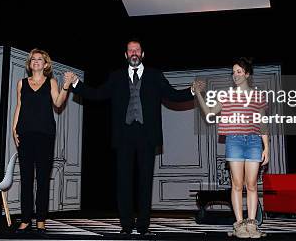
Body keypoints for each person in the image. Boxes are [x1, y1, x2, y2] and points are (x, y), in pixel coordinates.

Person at [66, 39, 195, 235]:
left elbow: (173, 95)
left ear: (142, 54)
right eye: (130, 50)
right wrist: (77, 84)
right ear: (126, 55)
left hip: (147, 136)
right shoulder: (116, 76)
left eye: (137, 50)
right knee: (123, 183)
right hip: (123, 136)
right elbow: (97, 94)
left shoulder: (154, 75)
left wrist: (192, 91)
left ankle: (143, 226)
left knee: (145, 182)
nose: (134, 53)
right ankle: (126, 225)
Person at [193, 57, 269, 239]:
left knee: (251, 185)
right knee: (236, 184)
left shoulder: (258, 96)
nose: (235, 75)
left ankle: (252, 225)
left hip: (253, 142)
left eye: (239, 72)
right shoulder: (226, 96)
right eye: (233, 72)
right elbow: (210, 113)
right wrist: (198, 94)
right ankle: (239, 225)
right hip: (234, 142)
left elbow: (263, 123)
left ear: (247, 74)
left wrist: (267, 147)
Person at [11, 49, 72, 234]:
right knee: (26, 178)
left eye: (40, 59)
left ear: (46, 64)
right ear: (30, 64)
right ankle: (26, 219)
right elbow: (19, 106)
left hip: (45, 135)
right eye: (33, 59)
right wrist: (14, 129)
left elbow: (58, 103)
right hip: (25, 134)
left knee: (43, 179)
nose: (36, 61)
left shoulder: (51, 82)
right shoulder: (21, 83)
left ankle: (41, 220)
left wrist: (66, 85)